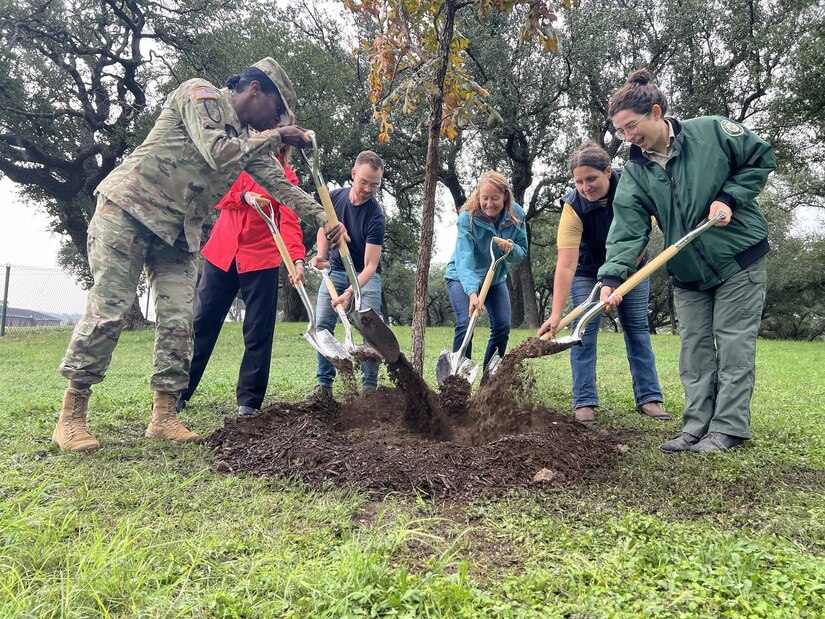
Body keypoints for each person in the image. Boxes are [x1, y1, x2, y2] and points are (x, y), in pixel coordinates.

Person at [53, 58, 347, 452]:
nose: (277, 121)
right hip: (129, 211)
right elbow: (220, 152)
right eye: (277, 111)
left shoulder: (248, 139)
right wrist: (278, 136)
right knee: (110, 311)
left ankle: (164, 416)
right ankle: (71, 418)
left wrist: (322, 216)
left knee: (179, 323)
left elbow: (280, 185)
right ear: (256, 90)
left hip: (177, 232)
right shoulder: (201, 94)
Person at [598, 69, 775, 453]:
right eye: (622, 132)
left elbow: (759, 157)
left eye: (632, 126)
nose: (628, 138)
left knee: (733, 346)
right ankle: (696, 427)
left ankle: (728, 429)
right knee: (694, 351)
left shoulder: (711, 131)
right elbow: (628, 227)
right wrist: (612, 276)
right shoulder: (636, 171)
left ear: (657, 113)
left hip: (737, 257)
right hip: (687, 270)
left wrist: (729, 198)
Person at [537, 142, 668, 424]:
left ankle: (649, 397)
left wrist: (617, 279)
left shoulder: (633, 187)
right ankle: (584, 401)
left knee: (637, 330)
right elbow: (566, 263)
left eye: (591, 179)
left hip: (631, 269)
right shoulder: (573, 207)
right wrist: (556, 314)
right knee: (583, 331)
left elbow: (644, 233)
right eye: (579, 181)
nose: (585, 187)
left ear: (608, 172)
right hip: (587, 271)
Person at [177, 144, 305, 418]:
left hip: (261, 260)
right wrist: (244, 196)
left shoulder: (288, 179)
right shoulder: (236, 162)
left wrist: (297, 260)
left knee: (258, 332)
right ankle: (178, 393)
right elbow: (216, 195)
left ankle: (249, 402)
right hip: (222, 253)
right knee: (201, 324)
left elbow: (290, 223)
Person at [307, 151, 386, 398]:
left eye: (374, 185)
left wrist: (351, 293)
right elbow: (324, 229)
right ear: (353, 175)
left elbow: (371, 266)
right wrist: (322, 256)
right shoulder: (332, 199)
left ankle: (369, 389)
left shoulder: (376, 216)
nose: (367, 189)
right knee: (323, 327)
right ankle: (324, 386)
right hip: (336, 271)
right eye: (363, 181)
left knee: (370, 329)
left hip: (364, 277)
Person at [445, 171, 528, 373]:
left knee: (502, 326)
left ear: (505, 196)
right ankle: (457, 381)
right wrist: (472, 293)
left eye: (495, 198)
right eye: (485, 198)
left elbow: (521, 253)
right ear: (478, 197)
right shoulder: (467, 219)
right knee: (466, 323)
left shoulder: (516, 216)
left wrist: (510, 250)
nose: (489, 204)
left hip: (495, 277)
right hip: (462, 277)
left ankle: (489, 381)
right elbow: (465, 259)